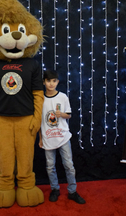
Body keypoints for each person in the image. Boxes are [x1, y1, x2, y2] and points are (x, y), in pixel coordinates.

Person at [39, 69, 86, 204]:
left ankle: (72, 191)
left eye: (54, 81)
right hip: (48, 138)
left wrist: (62, 115)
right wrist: (41, 138)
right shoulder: (40, 99)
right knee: (50, 166)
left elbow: (69, 114)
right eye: (48, 81)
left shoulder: (63, 97)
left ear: (57, 82)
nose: (51, 84)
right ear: (44, 82)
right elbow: (40, 121)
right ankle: (55, 189)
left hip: (63, 136)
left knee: (69, 165)